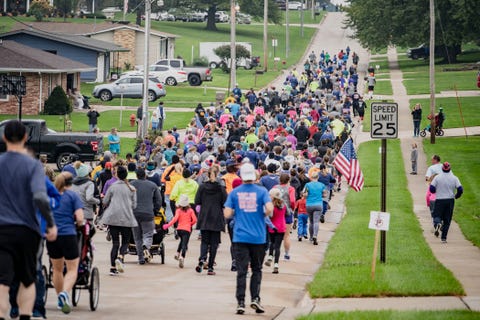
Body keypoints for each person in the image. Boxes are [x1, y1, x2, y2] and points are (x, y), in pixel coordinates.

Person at [0, 120, 57, 320]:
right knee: (27, 278)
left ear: (3, 137)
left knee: (3, 280)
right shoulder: (32, 165)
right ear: (26, 137)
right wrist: (50, 223)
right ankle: (26, 315)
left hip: (2, 230)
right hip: (26, 230)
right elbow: (40, 197)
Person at [224, 163, 273, 315]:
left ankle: (240, 302)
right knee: (257, 269)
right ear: (254, 175)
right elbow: (270, 209)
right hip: (258, 237)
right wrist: (262, 214)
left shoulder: (234, 193)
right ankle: (255, 298)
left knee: (241, 271)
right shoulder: (262, 191)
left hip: (240, 236)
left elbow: (226, 213)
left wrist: (237, 213)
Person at [46, 172, 84, 314]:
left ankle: (59, 298)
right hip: (68, 234)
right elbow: (80, 218)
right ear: (71, 183)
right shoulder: (73, 196)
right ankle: (65, 293)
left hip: (52, 235)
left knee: (57, 269)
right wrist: (79, 223)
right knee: (72, 268)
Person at [100, 166, 138, 276]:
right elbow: (134, 205)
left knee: (115, 243)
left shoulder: (112, 187)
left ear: (117, 175)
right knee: (126, 241)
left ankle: (112, 268)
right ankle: (121, 257)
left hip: (113, 217)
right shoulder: (131, 188)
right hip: (126, 217)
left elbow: (105, 201)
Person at [194, 166, 227, 275]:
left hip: (205, 216)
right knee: (214, 243)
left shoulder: (202, 187)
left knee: (204, 241)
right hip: (216, 217)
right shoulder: (221, 188)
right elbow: (225, 203)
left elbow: (197, 200)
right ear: (218, 174)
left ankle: (202, 259)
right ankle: (211, 267)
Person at [131, 168, 162, 264]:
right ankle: (146, 246)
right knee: (148, 234)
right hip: (148, 213)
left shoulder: (131, 185)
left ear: (136, 176)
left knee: (137, 237)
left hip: (134, 213)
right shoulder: (152, 185)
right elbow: (159, 200)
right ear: (145, 175)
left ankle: (140, 258)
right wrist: (156, 210)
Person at [429, 162, 463, 243]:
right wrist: (457, 196)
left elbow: (432, 189)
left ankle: (437, 223)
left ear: (442, 169)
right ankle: (443, 238)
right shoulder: (454, 178)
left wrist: (437, 190)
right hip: (450, 200)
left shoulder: (437, 178)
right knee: (447, 219)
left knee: (437, 215)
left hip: (440, 199)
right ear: (450, 168)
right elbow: (460, 189)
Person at [162, 194, 197, 268]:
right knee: (184, 244)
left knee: (182, 241)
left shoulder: (178, 210)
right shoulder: (190, 211)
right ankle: (182, 257)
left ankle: (177, 253)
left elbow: (175, 219)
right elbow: (195, 220)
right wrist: (190, 224)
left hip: (179, 230)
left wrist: (167, 225)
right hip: (187, 230)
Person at [264, 188, 286, 274]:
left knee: (271, 242)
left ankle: (270, 256)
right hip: (281, 227)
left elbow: (270, 216)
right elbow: (288, 213)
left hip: (273, 227)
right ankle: (276, 264)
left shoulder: (271, 206)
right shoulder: (283, 205)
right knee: (278, 247)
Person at [303, 171, 326, 245]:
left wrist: (307, 195)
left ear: (311, 177)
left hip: (309, 204)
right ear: (318, 177)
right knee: (316, 221)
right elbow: (325, 195)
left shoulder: (307, 185)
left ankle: (311, 237)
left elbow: (304, 194)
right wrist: (320, 195)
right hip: (318, 204)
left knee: (311, 221)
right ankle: (315, 235)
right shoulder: (322, 185)